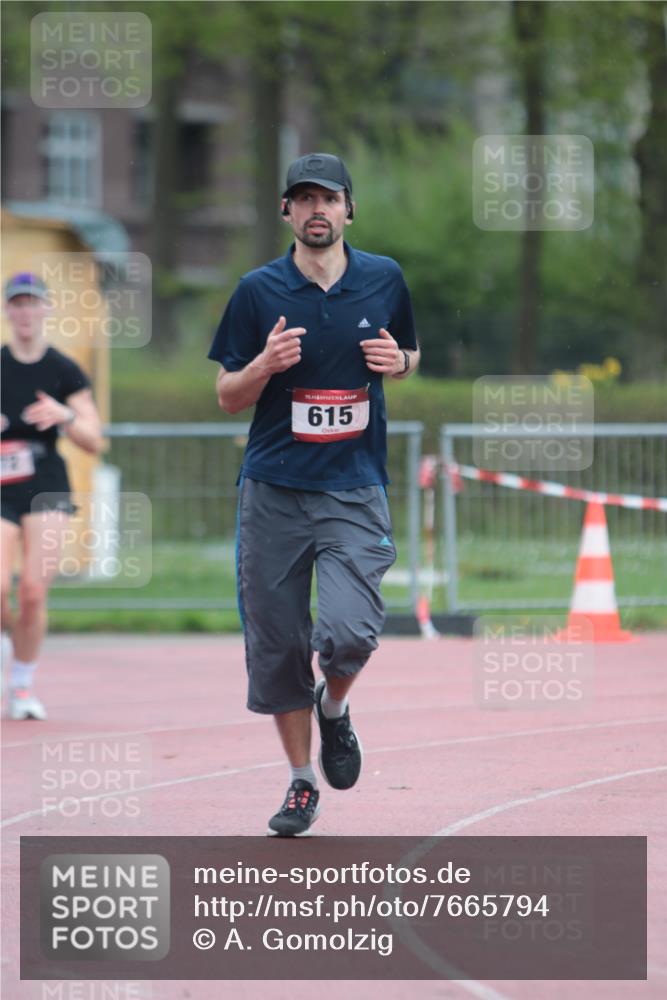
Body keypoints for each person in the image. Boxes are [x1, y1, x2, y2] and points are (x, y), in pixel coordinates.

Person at [208, 153, 420, 836]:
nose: (315, 210)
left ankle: (334, 707)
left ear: (348, 209)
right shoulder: (256, 291)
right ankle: (301, 783)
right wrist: (264, 365)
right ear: (286, 212)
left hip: (353, 487)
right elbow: (224, 395)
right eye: (301, 200)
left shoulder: (383, 279)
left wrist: (402, 364)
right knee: (277, 642)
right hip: (273, 490)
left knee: (350, 633)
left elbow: (408, 354)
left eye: (326, 198)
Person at [1, 272, 104, 720]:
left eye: (32, 303)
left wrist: (63, 415)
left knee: (33, 594)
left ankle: (22, 685)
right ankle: (10, 637)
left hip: (45, 481)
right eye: (17, 304)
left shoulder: (63, 370)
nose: (25, 311)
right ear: (8, 311)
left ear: (46, 310)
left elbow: (94, 439)